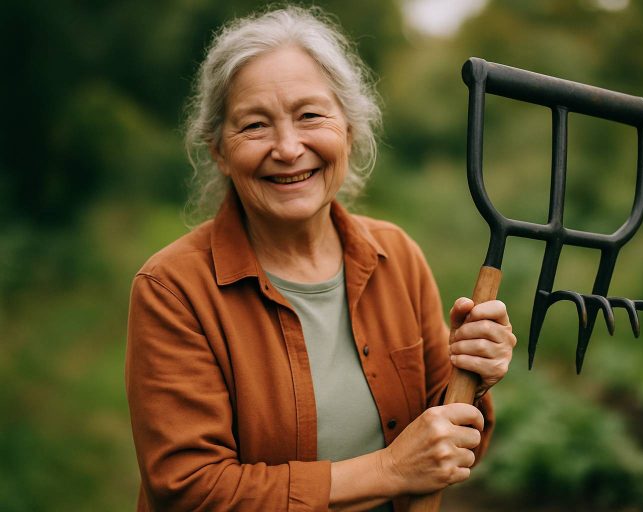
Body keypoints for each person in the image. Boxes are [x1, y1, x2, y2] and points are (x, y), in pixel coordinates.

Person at [125, 6, 516, 511]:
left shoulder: (397, 257)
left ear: (349, 131)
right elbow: (190, 490)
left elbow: (453, 451)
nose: (288, 148)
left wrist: (475, 381)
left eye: (310, 115)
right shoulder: (173, 289)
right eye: (255, 125)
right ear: (219, 149)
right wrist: (390, 469)